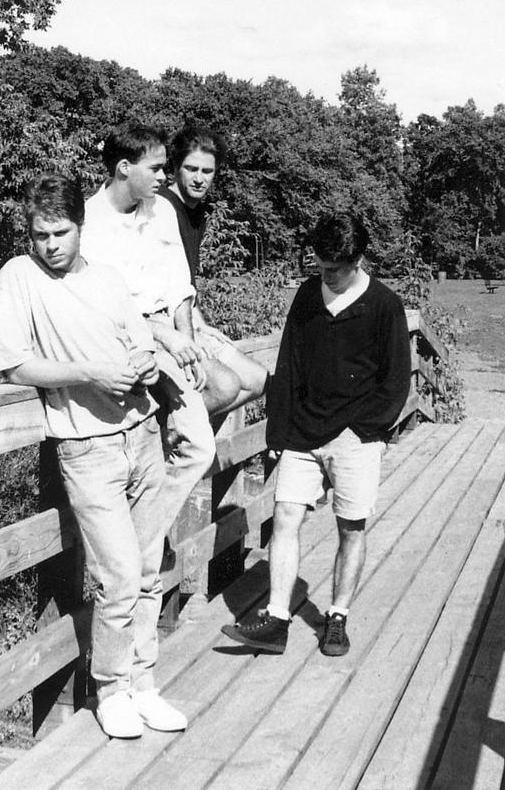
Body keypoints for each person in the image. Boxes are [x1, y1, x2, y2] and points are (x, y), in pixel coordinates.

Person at [0, 174, 187, 740]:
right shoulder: (18, 277)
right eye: (40, 234)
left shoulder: (106, 277)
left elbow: (140, 340)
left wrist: (146, 362)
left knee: (148, 571)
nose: (50, 245)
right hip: (87, 446)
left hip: (141, 433)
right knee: (118, 575)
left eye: (61, 232)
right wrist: (89, 373)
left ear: (80, 226)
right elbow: (14, 365)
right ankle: (112, 689)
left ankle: (144, 684)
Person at [222, 212, 411, 656]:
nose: (326, 276)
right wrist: (278, 435)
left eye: (335, 270)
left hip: (355, 438)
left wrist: (366, 430)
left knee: (351, 527)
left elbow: (396, 380)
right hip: (304, 432)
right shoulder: (308, 296)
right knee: (285, 517)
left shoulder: (384, 305)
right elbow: (288, 366)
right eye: (321, 266)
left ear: (358, 261)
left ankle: (337, 617)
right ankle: (277, 618)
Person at [80, 123, 216, 535]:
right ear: (125, 168)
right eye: (155, 168)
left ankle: (142, 537)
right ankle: (138, 547)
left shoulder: (160, 211)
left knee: (199, 449)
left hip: (166, 336)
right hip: (124, 343)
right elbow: (106, 309)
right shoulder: (90, 222)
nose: (163, 176)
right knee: (148, 458)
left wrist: (186, 341)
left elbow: (179, 285)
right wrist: (164, 335)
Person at [158, 124, 268, 412]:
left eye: (207, 171)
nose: (199, 179)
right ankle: (173, 432)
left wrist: (203, 326)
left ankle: (190, 430)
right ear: (175, 168)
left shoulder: (198, 213)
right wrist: (192, 334)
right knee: (224, 386)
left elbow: (186, 282)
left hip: (189, 318)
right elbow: (165, 286)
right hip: (166, 325)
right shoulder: (161, 207)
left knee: (257, 380)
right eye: (191, 169)